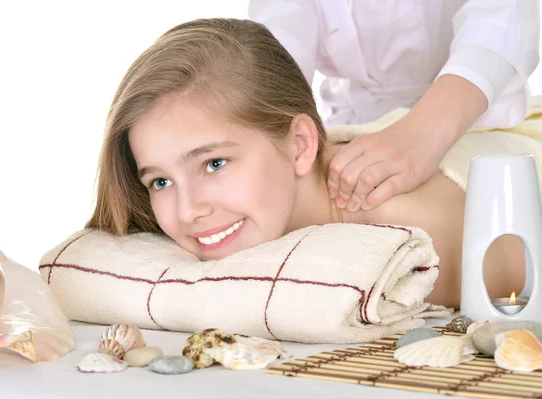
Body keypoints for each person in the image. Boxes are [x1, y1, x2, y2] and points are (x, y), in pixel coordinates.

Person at [86, 18, 525, 309]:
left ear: (299, 145)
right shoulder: (267, 203)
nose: (187, 212)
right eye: (160, 181)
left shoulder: (420, 246)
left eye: (214, 164)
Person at [249, 1, 540, 214]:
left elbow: (503, 17)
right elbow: (278, 42)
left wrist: (425, 132)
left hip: (475, 113)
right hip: (352, 120)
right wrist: (263, 130)